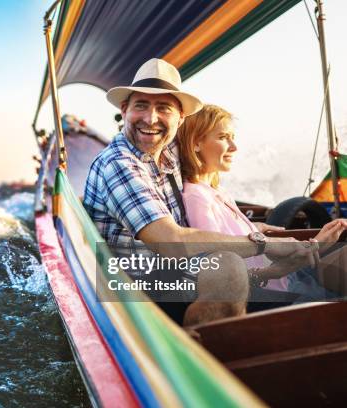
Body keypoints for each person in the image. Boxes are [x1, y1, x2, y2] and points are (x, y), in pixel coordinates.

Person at [83, 58, 317, 326]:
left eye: (164, 108)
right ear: (124, 110)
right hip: (137, 289)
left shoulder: (166, 153)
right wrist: (263, 243)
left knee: (288, 295)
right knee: (229, 269)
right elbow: (169, 240)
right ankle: (196, 356)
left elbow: (205, 147)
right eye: (141, 105)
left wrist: (249, 227)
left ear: (180, 118)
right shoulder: (119, 165)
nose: (151, 118)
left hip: (173, 271)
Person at [177, 104, 347, 298]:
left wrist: (314, 244)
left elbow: (231, 238)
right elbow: (218, 264)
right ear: (195, 144)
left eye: (233, 137)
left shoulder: (217, 192)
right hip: (271, 289)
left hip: (285, 277)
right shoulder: (197, 198)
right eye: (223, 137)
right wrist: (280, 268)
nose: (234, 147)